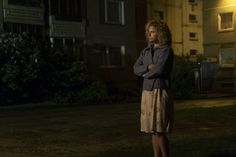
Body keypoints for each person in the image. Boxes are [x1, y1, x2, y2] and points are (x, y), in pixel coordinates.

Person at [133, 20, 174, 157]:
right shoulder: (145, 51)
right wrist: (147, 68)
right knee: (152, 130)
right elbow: (135, 68)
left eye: (152, 32)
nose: (149, 34)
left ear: (160, 33)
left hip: (159, 90)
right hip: (147, 92)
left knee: (159, 130)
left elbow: (160, 69)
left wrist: (144, 74)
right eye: (148, 32)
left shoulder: (166, 50)